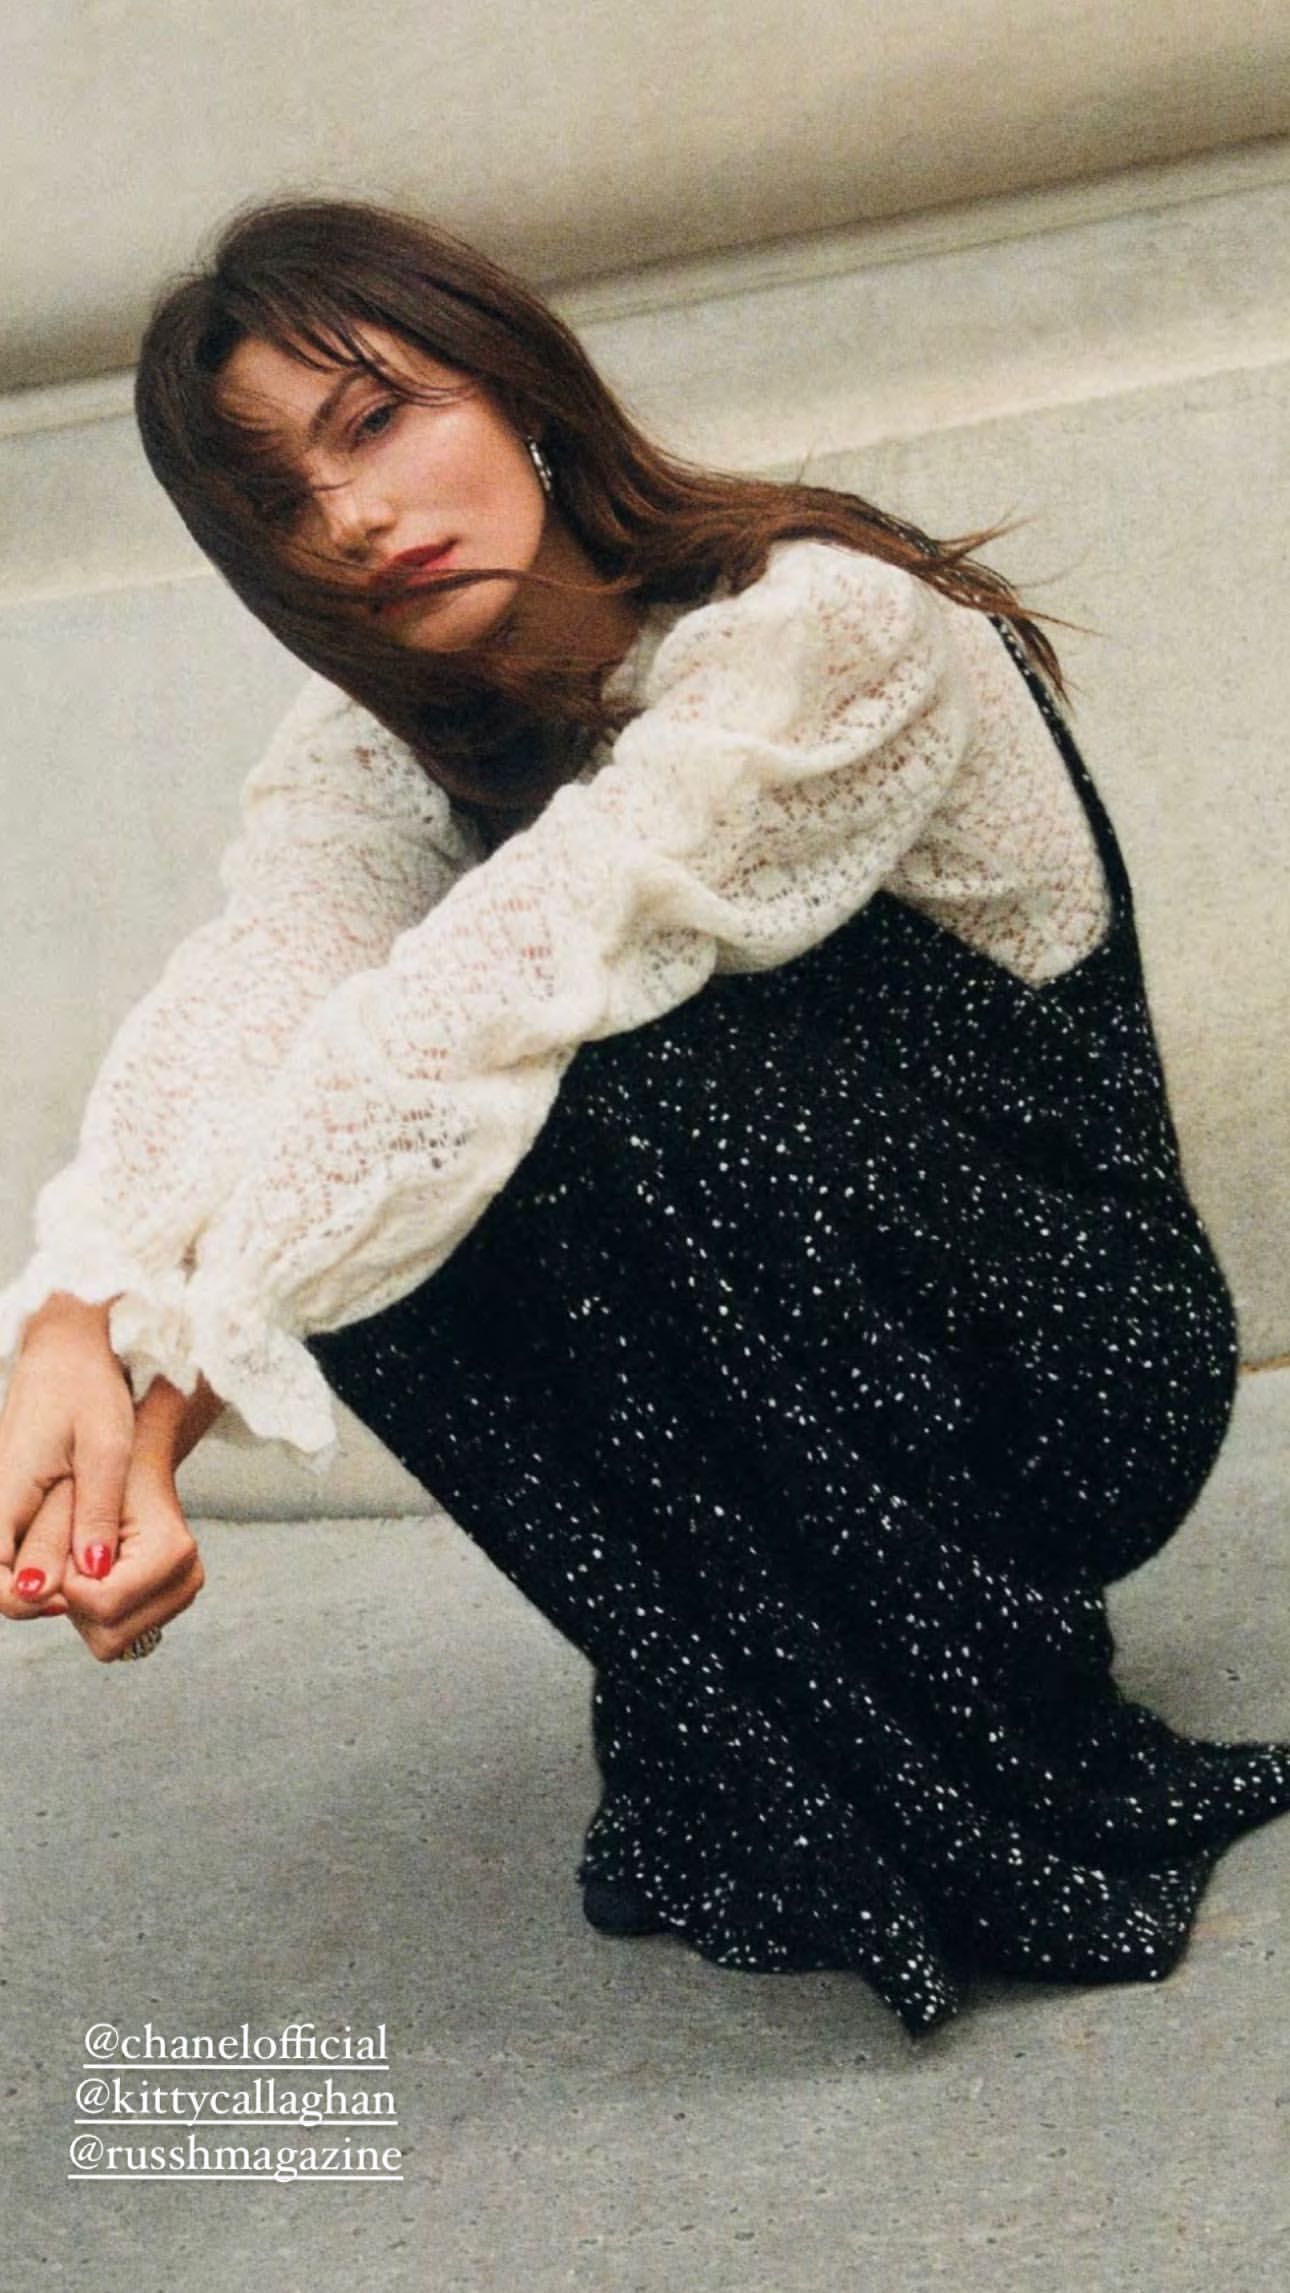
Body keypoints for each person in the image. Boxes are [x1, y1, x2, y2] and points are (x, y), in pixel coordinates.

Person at [1, 198, 1286, 2036]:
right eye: (280, 499)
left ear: (514, 384)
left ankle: (949, 1710)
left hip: (1073, 1371)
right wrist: (78, 1304)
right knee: (408, 1153)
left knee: (533, 1088)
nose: (349, 516)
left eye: (377, 420)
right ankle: (778, 1688)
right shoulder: (380, 738)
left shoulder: (814, 625)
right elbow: (263, 980)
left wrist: (163, 1413)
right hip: (835, 1356)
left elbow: (490, 996)